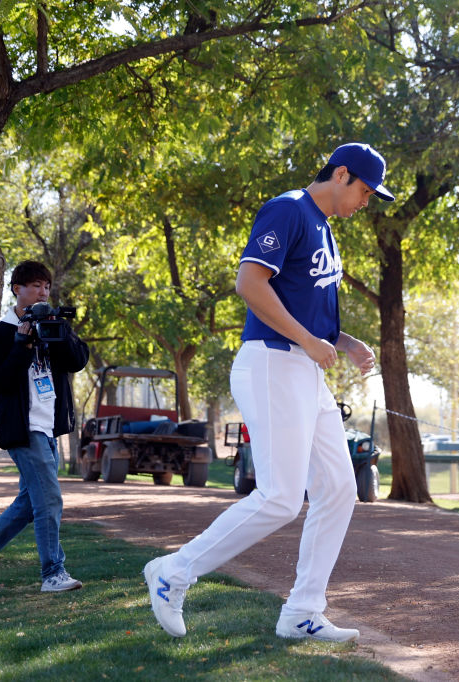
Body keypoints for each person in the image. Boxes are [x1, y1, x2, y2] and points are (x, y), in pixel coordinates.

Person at [144, 143, 393, 642]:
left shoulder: (323, 228)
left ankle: (302, 612)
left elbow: (306, 308)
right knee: (281, 497)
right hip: (271, 363)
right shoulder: (289, 208)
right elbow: (250, 284)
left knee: (342, 488)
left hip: (303, 369)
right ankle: (174, 572)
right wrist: (307, 340)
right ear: (341, 174)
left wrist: (343, 343)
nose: (367, 201)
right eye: (366, 190)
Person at [0, 260, 90, 596]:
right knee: (50, 500)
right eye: (35, 286)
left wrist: (58, 332)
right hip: (23, 429)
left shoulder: (52, 324)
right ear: (17, 289)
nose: (43, 291)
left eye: (46, 286)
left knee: (31, 505)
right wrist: (21, 344)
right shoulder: (1, 333)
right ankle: (52, 573)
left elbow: (78, 361)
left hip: (48, 429)